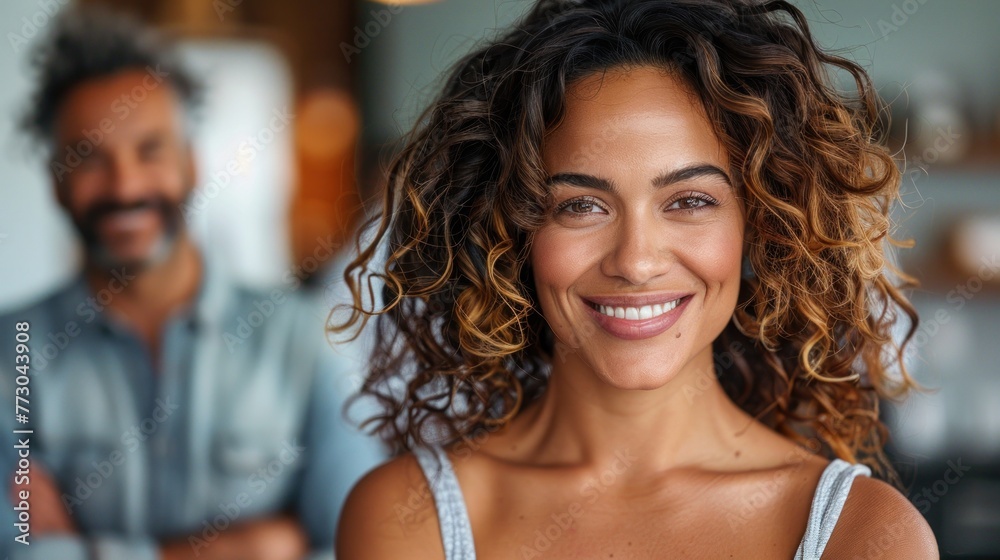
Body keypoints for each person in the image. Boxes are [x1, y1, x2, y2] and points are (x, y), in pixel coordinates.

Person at [333, 0, 939, 558]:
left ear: (760, 222)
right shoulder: (409, 519)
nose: (636, 261)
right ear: (509, 231)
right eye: (581, 205)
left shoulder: (861, 534)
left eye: (690, 200)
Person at [0, 8, 383, 560]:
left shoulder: (304, 337)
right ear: (56, 182)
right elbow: (17, 553)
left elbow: (358, 547)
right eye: (89, 158)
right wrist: (250, 549)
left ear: (192, 164)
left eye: (150, 150)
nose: (125, 184)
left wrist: (79, 550)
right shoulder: (11, 354)